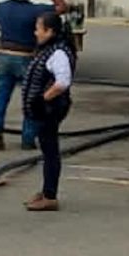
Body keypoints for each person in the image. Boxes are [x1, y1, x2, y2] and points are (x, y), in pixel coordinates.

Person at [0, 0, 67, 151]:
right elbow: (62, 7)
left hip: (4, 56)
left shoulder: (1, 8)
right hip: (27, 57)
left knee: (1, 97)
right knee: (31, 99)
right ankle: (27, 139)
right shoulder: (37, 11)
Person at [23, 11, 77, 212]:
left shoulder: (58, 53)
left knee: (51, 151)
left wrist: (42, 98)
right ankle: (46, 191)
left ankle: (50, 195)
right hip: (44, 109)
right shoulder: (49, 49)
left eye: (39, 28)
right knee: (47, 150)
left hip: (51, 109)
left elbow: (63, 82)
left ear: (50, 31)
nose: (35, 32)